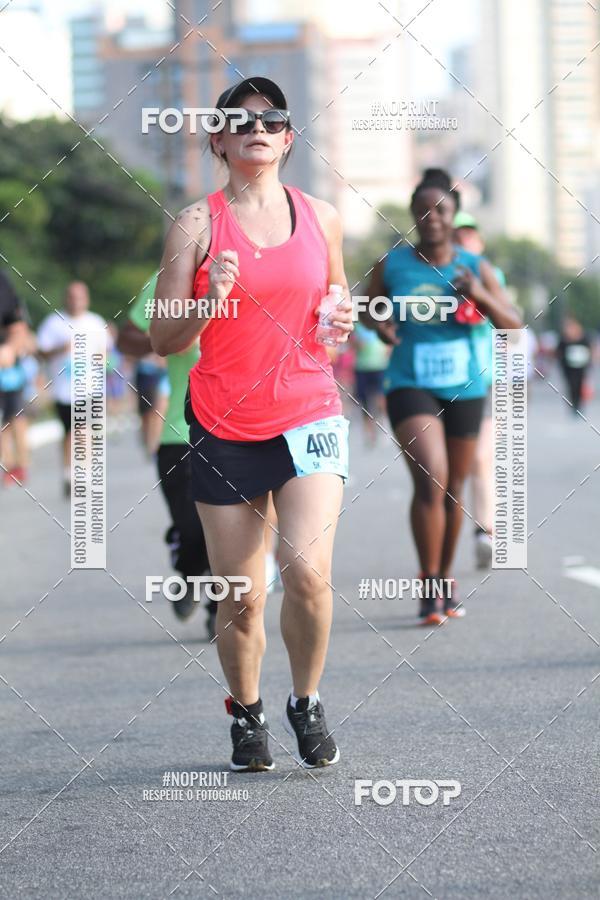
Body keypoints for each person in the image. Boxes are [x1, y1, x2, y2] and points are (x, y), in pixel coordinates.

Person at [150, 76, 354, 772]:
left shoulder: (322, 216)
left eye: (272, 119)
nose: (257, 127)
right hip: (223, 420)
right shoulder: (196, 225)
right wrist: (211, 297)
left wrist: (342, 324)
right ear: (220, 140)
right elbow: (163, 339)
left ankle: (305, 699)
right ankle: (248, 711)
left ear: (288, 138)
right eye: (240, 120)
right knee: (240, 597)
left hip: (307, 410)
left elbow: (335, 313)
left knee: (305, 569)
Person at [362, 169, 521, 624]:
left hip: (466, 385)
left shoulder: (473, 266)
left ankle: (444, 580)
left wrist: (481, 297)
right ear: (414, 215)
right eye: (423, 211)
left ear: (454, 216)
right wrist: (381, 324)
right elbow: (369, 311)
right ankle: (428, 583)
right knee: (431, 476)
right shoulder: (392, 264)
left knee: (455, 488)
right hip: (410, 381)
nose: (432, 218)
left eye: (442, 210)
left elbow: (512, 324)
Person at [118, 273, 215, 635]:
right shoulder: (171, 281)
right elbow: (128, 337)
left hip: (246, 429)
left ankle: (220, 609)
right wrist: (167, 337)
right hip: (181, 430)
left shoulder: (262, 273)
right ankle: (189, 570)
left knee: (233, 533)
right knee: (193, 529)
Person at [453, 211, 504, 568]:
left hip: (484, 377)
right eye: (459, 235)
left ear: (480, 242)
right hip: (446, 381)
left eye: (471, 235)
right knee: (450, 467)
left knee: (482, 458)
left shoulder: (491, 275)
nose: (465, 240)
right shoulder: (436, 276)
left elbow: (506, 320)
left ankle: (485, 530)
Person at [37, 281, 109, 497]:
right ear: (65, 298)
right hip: (64, 391)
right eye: (72, 296)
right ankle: (69, 473)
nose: (76, 301)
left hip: (90, 388)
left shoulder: (95, 322)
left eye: (80, 297)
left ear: (86, 299)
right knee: (70, 433)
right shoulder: (53, 323)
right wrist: (63, 348)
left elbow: (105, 354)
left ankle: (82, 475)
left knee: (82, 431)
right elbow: (41, 352)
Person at [0, 270, 33, 468]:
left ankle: (20, 464)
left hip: (9, 374)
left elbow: (19, 330)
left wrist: (10, 349)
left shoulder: (2, 281)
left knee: (15, 418)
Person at [351, 321, 391, 447]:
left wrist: (388, 352)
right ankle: (369, 433)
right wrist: (357, 344)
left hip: (380, 365)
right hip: (362, 366)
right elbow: (350, 340)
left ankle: (384, 426)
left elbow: (390, 338)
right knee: (364, 403)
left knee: (381, 399)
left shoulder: (382, 319)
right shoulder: (357, 323)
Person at [556, 316, 592, 416]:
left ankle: (578, 405)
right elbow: (559, 352)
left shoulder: (583, 337)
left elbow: (588, 350)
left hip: (580, 366)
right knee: (571, 386)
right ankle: (573, 405)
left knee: (579, 386)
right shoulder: (564, 339)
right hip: (568, 367)